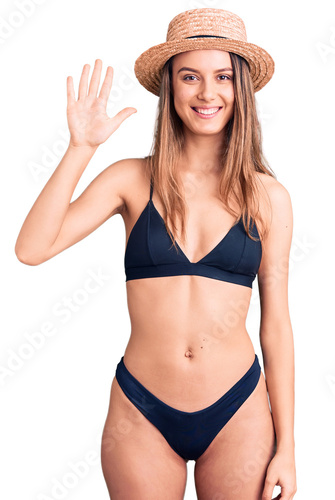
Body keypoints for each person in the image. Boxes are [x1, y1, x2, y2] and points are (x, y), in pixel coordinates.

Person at [15, 7, 297, 500]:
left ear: (241, 90)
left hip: (239, 412)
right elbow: (32, 248)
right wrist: (81, 147)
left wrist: (288, 446)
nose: (207, 93)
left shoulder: (268, 197)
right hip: (141, 412)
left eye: (223, 77)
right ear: (170, 87)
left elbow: (276, 325)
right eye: (190, 77)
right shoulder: (130, 179)